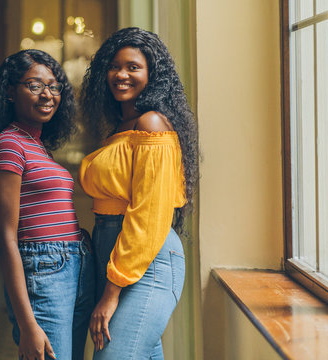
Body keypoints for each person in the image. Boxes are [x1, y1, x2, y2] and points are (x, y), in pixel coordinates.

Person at [78, 27, 199, 359]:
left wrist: (111, 292)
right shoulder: (119, 128)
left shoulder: (152, 125)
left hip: (148, 258)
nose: (121, 74)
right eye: (114, 66)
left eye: (133, 67)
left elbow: (149, 213)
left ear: (152, 75)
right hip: (114, 250)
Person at [0, 49, 94, 360]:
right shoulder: (8, 145)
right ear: (9, 92)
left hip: (74, 264)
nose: (47, 94)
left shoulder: (37, 145)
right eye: (34, 85)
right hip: (44, 270)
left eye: (54, 86)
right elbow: (6, 239)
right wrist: (27, 322)